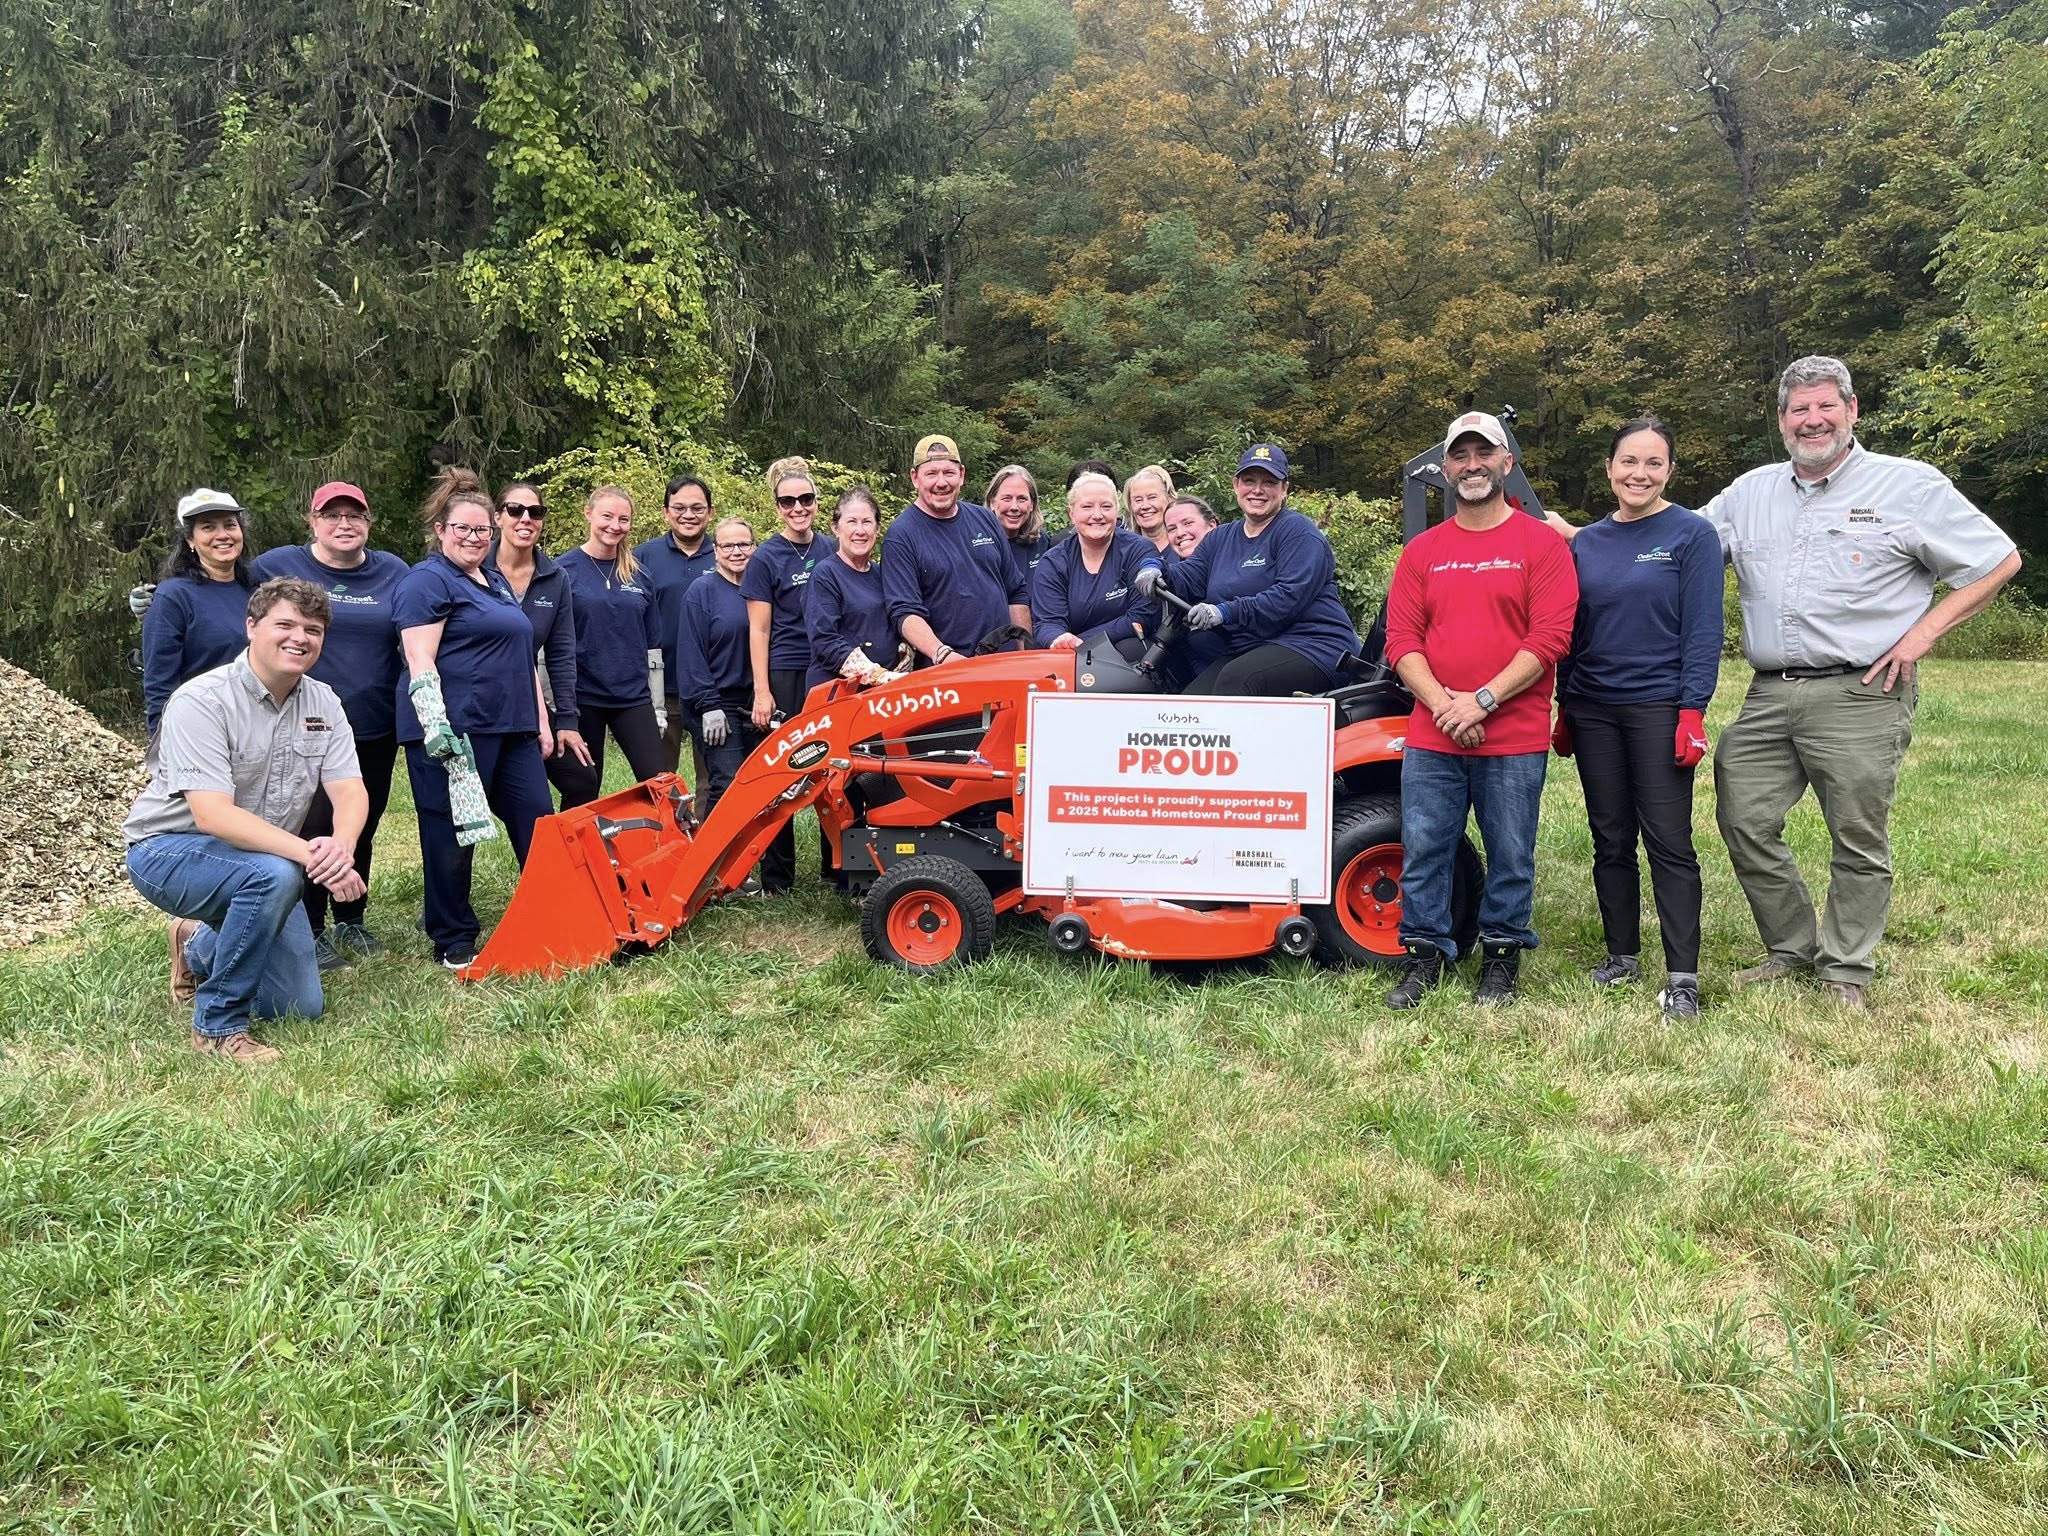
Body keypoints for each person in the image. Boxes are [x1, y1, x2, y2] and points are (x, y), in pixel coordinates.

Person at [1550, 356, 2022, 1010]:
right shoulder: (1750, 493)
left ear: (1852, 411)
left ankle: (1846, 969)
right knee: (1742, 815)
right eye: (1799, 409)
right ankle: (1794, 946)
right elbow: (1657, 542)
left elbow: (1999, 561)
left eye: (1826, 406)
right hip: (1771, 692)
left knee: (1856, 833)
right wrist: (1571, 539)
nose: (1813, 419)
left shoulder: (1908, 486)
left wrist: (1924, 633)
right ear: (1782, 420)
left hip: (1862, 689)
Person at [123, 578, 367, 1064]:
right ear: (251, 627)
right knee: (277, 874)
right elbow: (212, 815)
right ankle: (218, 1025)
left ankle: (195, 944)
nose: (300, 637)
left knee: (298, 1007)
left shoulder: (324, 703)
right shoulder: (201, 700)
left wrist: (340, 849)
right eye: (286, 624)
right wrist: (312, 857)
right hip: (169, 849)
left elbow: (350, 790)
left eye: (313, 629)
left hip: (262, 858)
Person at [1382, 411, 1578, 1008]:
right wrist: (1445, 706)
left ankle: (1500, 957)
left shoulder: (1540, 542)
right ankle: (1424, 956)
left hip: (1512, 733)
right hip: (1434, 732)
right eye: (1460, 456)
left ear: (1507, 463)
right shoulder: (1422, 551)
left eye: (1483, 453)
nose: (1472, 465)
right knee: (1425, 850)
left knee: (1511, 854)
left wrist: (1482, 701)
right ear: (1445, 470)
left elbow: (1549, 638)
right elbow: (1401, 642)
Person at [1552, 419, 1723, 1020]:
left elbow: (1704, 632)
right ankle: (1621, 956)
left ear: (1669, 472)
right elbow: (1571, 632)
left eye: (1653, 464)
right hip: (1593, 707)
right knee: (1611, 838)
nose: (1639, 474)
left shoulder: (1692, 536)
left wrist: (1691, 712)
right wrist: (1563, 706)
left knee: (1670, 843)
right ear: (1609, 468)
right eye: (1629, 461)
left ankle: (1682, 977)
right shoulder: (1586, 543)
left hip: (1658, 708)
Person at [394, 469, 556, 969]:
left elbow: (523, 652)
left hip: (514, 727)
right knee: (450, 831)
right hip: (456, 730)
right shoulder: (427, 581)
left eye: (482, 530)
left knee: (538, 823)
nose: (473, 538)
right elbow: (419, 659)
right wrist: (437, 730)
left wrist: (542, 721)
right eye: (461, 529)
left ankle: (551, 914)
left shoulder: (496, 580)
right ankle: (453, 936)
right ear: (441, 531)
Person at [249, 482, 408, 970]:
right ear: (312, 521)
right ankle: (310, 930)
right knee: (312, 823)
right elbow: (226, 592)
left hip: (373, 724)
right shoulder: (276, 565)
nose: (344, 524)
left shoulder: (393, 572)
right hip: (303, 725)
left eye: (354, 515)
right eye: (332, 515)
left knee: (362, 822)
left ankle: (352, 919)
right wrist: (170, 591)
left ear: (368, 522)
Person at [1161, 444, 1359, 695]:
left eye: (1269, 482)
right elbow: (1187, 577)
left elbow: (1287, 598)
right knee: (1192, 705)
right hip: (1253, 647)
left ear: (1284, 489)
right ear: (1236, 485)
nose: (1257, 490)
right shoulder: (1220, 537)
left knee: (1238, 681)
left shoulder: (1298, 532)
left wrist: (1224, 611)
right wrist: (1154, 568)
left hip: (1314, 645)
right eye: (1249, 480)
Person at [744, 457, 838, 894]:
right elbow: (758, 628)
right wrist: (762, 691)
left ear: (818, 503)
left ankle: (836, 868)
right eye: (788, 501)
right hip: (784, 668)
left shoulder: (829, 548)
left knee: (833, 766)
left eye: (805, 499)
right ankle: (777, 878)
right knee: (780, 773)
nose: (797, 507)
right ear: (777, 506)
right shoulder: (765, 557)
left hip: (828, 667)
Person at [552, 485, 667, 805]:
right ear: (588, 514)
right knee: (583, 786)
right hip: (582, 697)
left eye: (624, 519)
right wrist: (555, 707)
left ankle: (666, 851)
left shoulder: (640, 574)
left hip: (632, 697)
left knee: (660, 782)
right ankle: (575, 856)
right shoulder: (562, 572)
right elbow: (547, 644)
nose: (615, 525)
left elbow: (652, 647)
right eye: (607, 516)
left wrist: (658, 708)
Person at [884, 434, 1030, 665]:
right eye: (931, 473)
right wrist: (943, 655)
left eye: (949, 473)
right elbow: (904, 613)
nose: (941, 482)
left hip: (1006, 663)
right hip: (948, 671)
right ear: (915, 478)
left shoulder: (984, 519)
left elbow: (1016, 592)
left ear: (961, 475)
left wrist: (1025, 654)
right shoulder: (901, 535)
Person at [487, 481, 588, 804]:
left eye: (536, 512)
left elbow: (560, 653)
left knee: (581, 778)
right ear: (497, 517)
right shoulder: (474, 568)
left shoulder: (554, 577)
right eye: (515, 510)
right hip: (476, 700)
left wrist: (567, 721)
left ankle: (564, 853)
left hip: (526, 699)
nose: (526, 519)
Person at [142, 488, 256, 736]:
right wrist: (162, 746)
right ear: (190, 540)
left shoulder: (257, 589)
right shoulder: (173, 596)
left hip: (256, 729)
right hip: (200, 729)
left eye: (230, 525)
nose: (222, 535)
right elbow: (159, 683)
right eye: (208, 527)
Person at [679, 517, 762, 830]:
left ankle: (746, 868)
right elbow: (691, 654)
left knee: (758, 788)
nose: (736, 551)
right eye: (728, 545)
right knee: (727, 786)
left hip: (757, 701)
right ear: (715, 551)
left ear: (754, 548)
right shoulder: (702, 592)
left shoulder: (761, 591)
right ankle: (712, 873)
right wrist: (708, 705)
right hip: (717, 702)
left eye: (743, 544)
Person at [635, 474, 717, 782]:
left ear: (710, 512)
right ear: (665, 511)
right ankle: (663, 832)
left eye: (697, 508)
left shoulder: (728, 553)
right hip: (660, 687)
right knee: (658, 777)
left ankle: (709, 831)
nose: (688, 515)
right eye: (679, 507)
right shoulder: (643, 557)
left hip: (713, 687)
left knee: (714, 778)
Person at [1031, 473, 1162, 650]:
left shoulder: (1139, 551)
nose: (1097, 515)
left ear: (1117, 511)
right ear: (1071, 513)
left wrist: (1082, 642)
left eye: (1106, 506)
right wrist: (1059, 639)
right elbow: (1047, 623)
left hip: (1128, 654)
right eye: (1087, 507)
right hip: (1070, 656)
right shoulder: (1053, 562)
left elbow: (1143, 616)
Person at [805, 487, 896, 689]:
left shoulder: (883, 574)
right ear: (836, 528)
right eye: (852, 522)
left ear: (877, 528)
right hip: (839, 692)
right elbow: (825, 641)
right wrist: (876, 675)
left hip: (884, 694)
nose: (860, 530)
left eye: (867, 522)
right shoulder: (825, 575)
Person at [989, 464, 1055, 576]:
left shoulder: (1043, 543)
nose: (1014, 507)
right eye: (1007, 498)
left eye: (1022, 499)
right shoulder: (976, 544)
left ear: (1032, 504)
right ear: (992, 503)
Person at [1122, 464, 1176, 553]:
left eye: (1152, 497)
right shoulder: (1123, 552)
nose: (1145, 506)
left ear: (1170, 499)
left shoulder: (1186, 546)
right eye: (1138, 500)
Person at [1162, 493, 1218, 564]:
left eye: (1188, 523)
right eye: (1172, 529)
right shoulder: (1167, 572)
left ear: (1211, 525)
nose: (1180, 533)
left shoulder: (1234, 561)